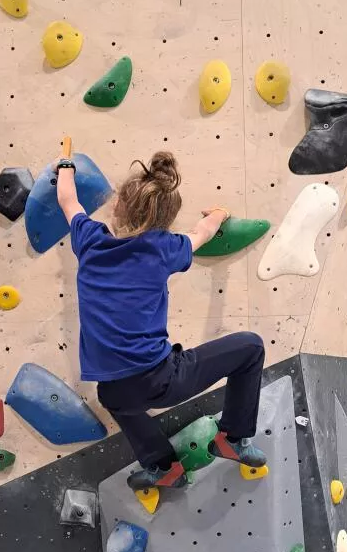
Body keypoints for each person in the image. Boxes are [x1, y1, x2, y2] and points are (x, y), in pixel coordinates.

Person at [55, 150, 266, 490]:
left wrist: (65, 166)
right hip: (163, 381)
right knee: (251, 347)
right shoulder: (161, 247)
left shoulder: (90, 241)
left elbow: (68, 200)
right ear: (164, 221)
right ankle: (233, 438)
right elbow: (202, 233)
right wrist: (220, 213)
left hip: (114, 390)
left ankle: (164, 468)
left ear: (117, 206)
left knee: (116, 398)